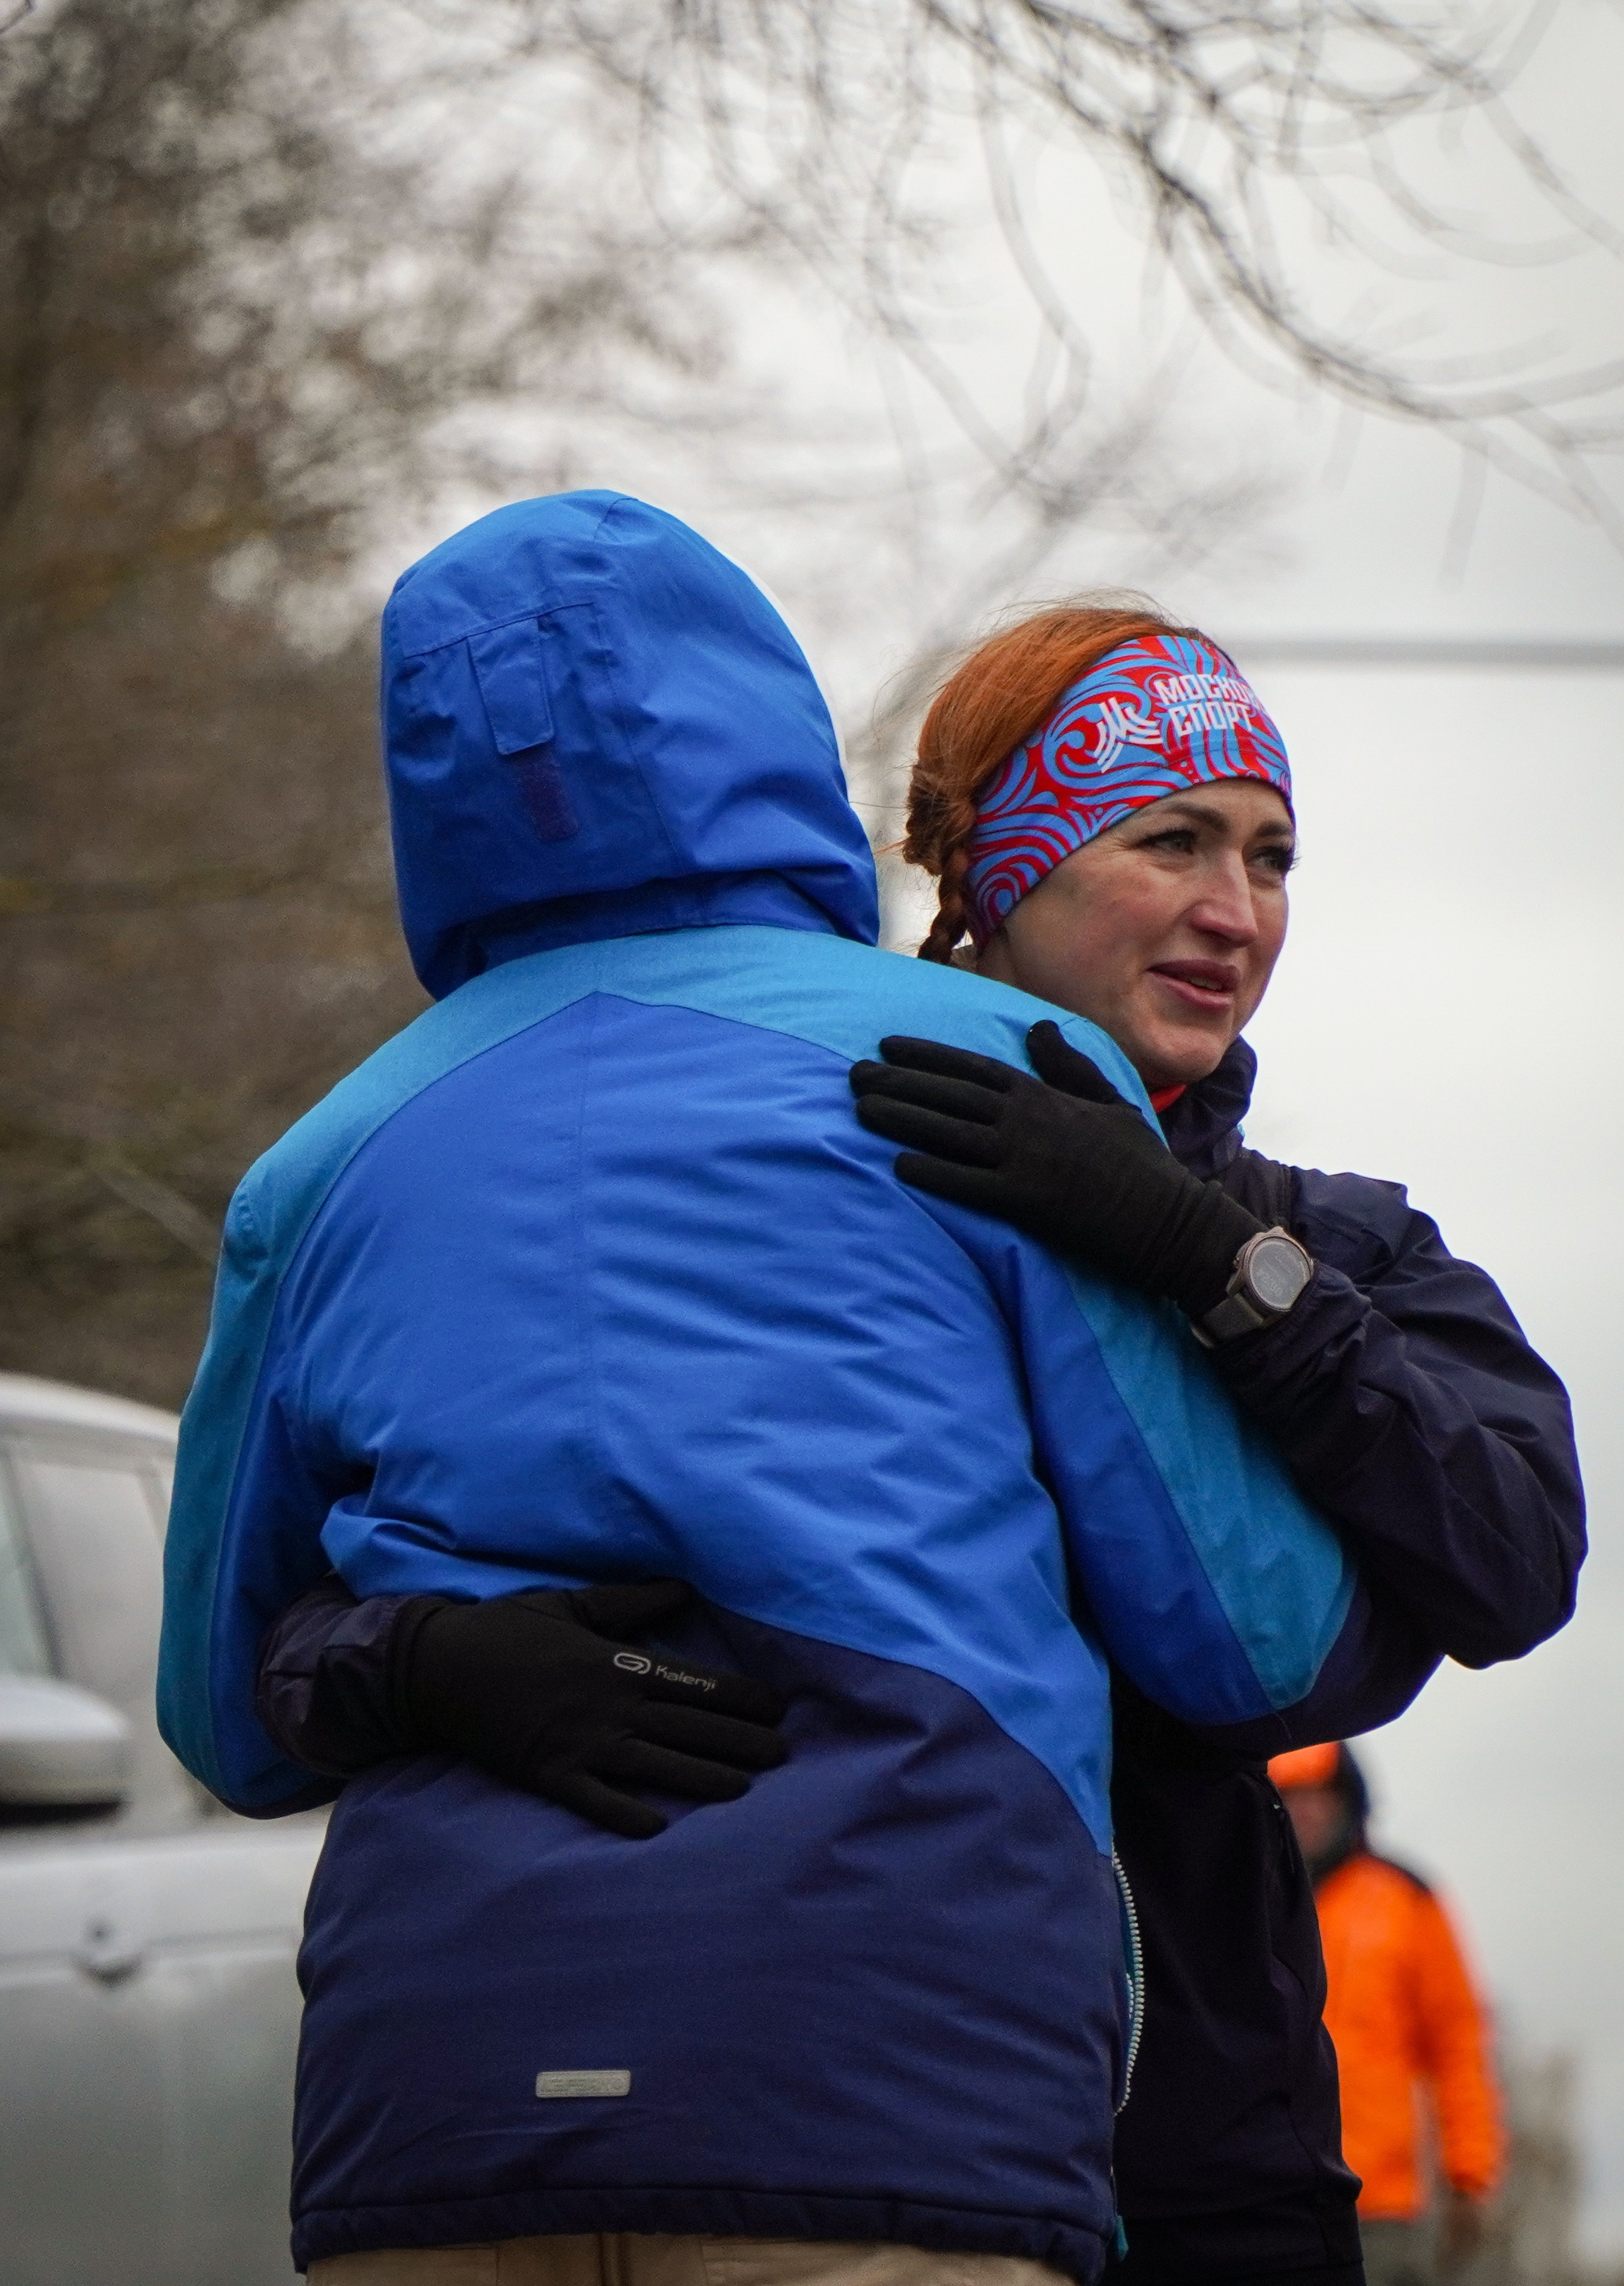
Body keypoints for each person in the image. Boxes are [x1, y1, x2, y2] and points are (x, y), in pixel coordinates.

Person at [159, 498, 1433, 2286]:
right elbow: (1253, 1644)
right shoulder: (990, 1072)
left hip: (432, 2112)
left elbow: (226, 1714)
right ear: (750, 724)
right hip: (886, 2087)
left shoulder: (315, 1173)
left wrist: (427, 1654)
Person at [849, 606, 1583, 2286]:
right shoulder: (821, 1180)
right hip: (855, 2125)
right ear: (997, 862)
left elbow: (1518, 1551)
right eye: (1170, 838)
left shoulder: (1339, 1244)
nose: (1234, 913)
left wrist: (1208, 1264)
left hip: (1209, 2155)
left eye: (1270, 857)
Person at [1271, 1744, 1505, 2286]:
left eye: (1319, 1796)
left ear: (1348, 1801)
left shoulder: (1407, 1900)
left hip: (1380, 2207)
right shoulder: (1242, 1907)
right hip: (1264, 2199)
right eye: (1291, 1797)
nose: (1306, 1812)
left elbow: (1457, 2041)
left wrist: (1471, 2172)